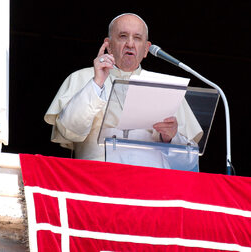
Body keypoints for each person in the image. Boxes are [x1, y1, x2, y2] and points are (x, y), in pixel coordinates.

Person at [44, 13, 202, 165]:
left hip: (151, 185)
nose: (130, 44)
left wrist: (172, 137)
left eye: (137, 38)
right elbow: (69, 131)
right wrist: (97, 83)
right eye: (123, 36)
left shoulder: (165, 86)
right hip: (97, 181)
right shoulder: (81, 77)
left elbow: (189, 160)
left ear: (146, 49)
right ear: (109, 45)